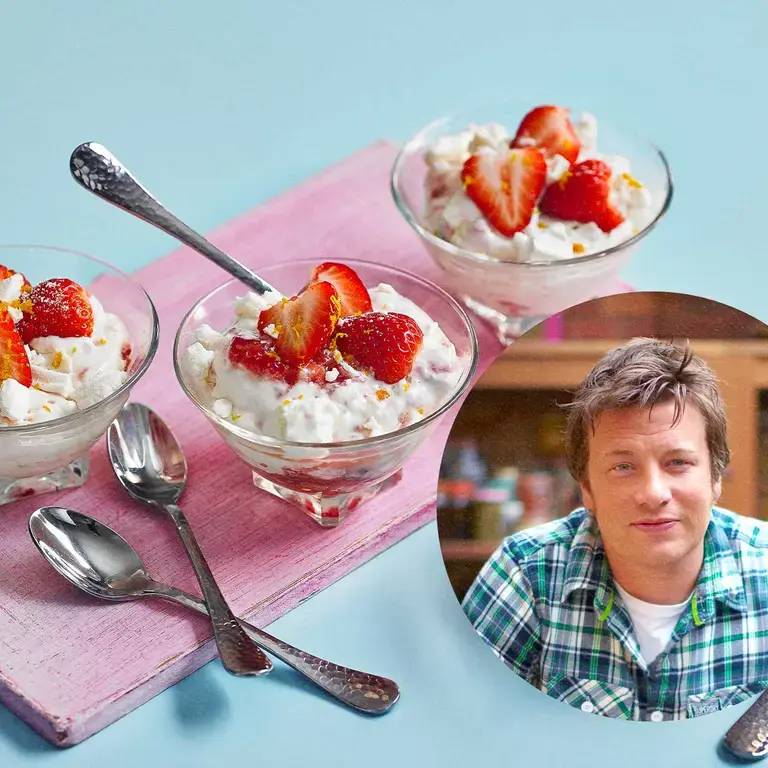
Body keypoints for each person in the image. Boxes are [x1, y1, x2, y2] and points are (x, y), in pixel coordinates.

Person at [463, 337, 768, 721]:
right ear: (586, 489)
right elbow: (460, 721)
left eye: (677, 462)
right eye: (623, 467)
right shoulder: (525, 570)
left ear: (716, 478)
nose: (653, 494)